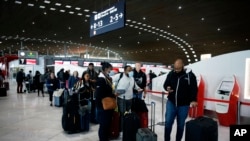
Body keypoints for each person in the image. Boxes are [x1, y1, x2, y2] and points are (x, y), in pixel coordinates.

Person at [163, 58, 198, 141]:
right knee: (168, 123)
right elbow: (165, 84)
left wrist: (193, 99)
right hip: (171, 102)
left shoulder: (190, 75)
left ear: (182, 66)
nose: (177, 70)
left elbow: (194, 88)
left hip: (184, 105)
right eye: (175, 68)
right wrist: (167, 88)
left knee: (181, 125)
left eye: (178, 68)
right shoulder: (171, 74)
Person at [112, 65, 142, 132]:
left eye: (131, 70)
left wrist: (139, 89)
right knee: (123, 114)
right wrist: (113, 90)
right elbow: (110, 79)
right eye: (129, 70)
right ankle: (122, 129)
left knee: (128, 114)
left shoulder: (132, 78)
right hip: (121, 98)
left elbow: (135, 86)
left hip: (130, 98)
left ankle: (126, 127)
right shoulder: (120, 76)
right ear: (125, 70)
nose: (130, 71)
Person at [95, 62, 114, 141]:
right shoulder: (100, 79)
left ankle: (106, 138)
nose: (111, 71)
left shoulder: (106, 79)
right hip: (102, 106)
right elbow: (99, 94)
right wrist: (112, 94)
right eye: (110, 69)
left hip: (107, 106)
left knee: (106, 124)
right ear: (106, 69)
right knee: (103, 125)